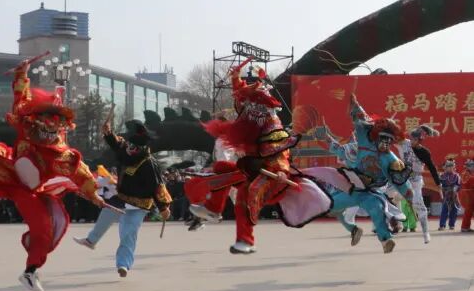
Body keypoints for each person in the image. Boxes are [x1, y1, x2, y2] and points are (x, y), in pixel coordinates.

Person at [0, 55, 105, 291]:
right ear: (36, 121)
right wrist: (22, 73)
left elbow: (81, 173)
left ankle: (30, 271)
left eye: (54, 126)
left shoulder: (63, 154)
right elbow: (21, 98)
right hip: (9, 174)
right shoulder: (26, 127)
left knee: (43, 228)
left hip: (31, 191)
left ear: (60, 127)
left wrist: (94, 195)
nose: (48, 130)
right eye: (44, 123)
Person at [185, 58, 332, 254]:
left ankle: (246, 241)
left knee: (246, 192)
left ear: (259, 109)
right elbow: (241, 96)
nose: (244, 108)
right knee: (221, 168)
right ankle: (213, 209)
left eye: (248, 105)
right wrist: (236, 77)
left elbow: (280, 153)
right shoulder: (252, 119)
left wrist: (281, 171)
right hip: (252, 170)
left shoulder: (272, 125)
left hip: (273, 176)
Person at [74, 112, 171, 276]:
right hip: (122, 197)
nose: (130, 149)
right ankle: (91, 240)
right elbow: (116, 143)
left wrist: (163, 207)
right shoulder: (126, 150)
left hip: (140, 204)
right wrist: (108, 133)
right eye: (130, 146)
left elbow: (157, 186)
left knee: (128, 233)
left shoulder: (149, 164)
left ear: (142, 148)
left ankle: (123, 264)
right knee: (106, 212)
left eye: (134, 148)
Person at [327, 94, 413, 254]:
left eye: (389, 140)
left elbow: (400, 182)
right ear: (376, 136)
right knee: (330, 206)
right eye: (383, 138)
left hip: (371, 193)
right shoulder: (363, 142)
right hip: (352, 189)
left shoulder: (391, 160)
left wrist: (410, 196)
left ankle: (385, 240)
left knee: (376, 210)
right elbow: (359, 122)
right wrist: (355, 106)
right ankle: (353, 229)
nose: (385, 143)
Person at [397, 124, 442, 244]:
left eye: (414, 140)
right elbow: (393, 136)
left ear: (419, 140)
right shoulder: (404, 143)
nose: (411, 141)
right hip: (402, 178)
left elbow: (432, 168)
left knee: (419, 204)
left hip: (416, 180)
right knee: (389, 195)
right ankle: (397, 223)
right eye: (411, 138)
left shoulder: (424, 152)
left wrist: (438, 183)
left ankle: (425, 232)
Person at [438, 159, 461, 231]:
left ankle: (452, 225)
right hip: (446, 195)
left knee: (454, 210)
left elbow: (458, 185)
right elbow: (439, 185)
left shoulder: (456, 176)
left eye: (452, 167)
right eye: (449, 166)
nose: (450, 168)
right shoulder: (442, 175)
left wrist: (454, 190)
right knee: (444, 210)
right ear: (445, 167)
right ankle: (442, 225)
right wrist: (442, 192)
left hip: (454, 195)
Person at [460, 159, 474, 232]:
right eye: (472, 165)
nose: (473, 167)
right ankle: (464, 227)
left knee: (469, 211)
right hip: (467, 195)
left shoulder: (470, 173)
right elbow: (467, 182)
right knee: (468, 211)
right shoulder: (465, 173)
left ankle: (466, 226)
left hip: (470, 194)